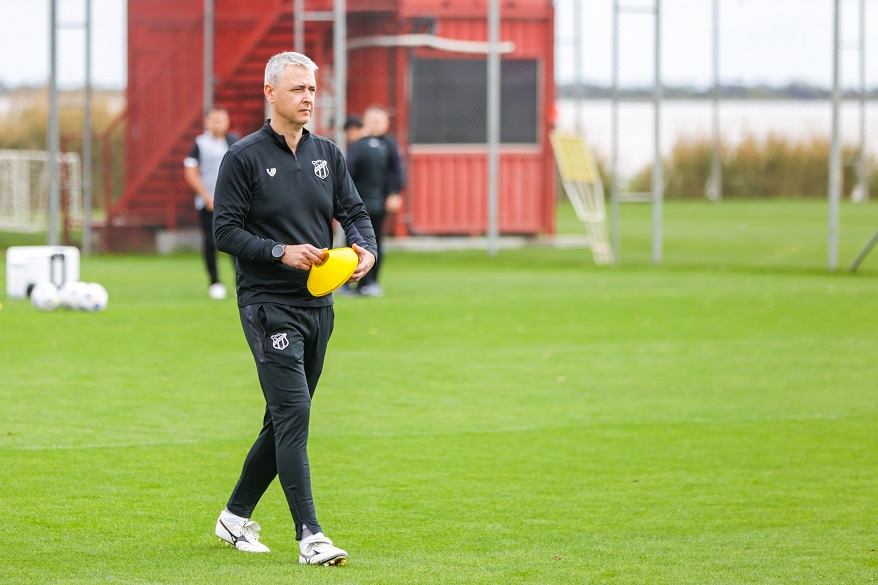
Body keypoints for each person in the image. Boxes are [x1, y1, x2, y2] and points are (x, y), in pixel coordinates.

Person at [212, 51, 377, 567]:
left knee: (282, 419)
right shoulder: (242, 157)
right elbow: (225, 231)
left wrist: (365, 249)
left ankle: (235, 517)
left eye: (312, 89)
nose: (308, 98)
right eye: (297, 89)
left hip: (318, 304)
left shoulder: (327, 152)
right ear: (270, 93)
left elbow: (352, 211)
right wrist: (279, 251)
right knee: (294, 412)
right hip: (266, 305)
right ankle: (311, 536)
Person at [345, 104, 405, 297]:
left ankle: (370, 282)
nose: (375, 125)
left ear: (386, 124)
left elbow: (398, 172)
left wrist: (395, 193)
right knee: (352, 242)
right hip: (356, 204)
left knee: (374, 241)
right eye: (372, 121)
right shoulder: (357, 146)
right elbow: (348, 174)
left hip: (379, 203)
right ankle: (348, 282)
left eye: (379, 121)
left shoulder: (390, 145)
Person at [183, 107, 238, 299]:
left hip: (232, 204)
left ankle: (241, 282)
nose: (218, 124)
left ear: (227, 122)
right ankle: (215, 282)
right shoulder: (199, 144)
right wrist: (207, 198)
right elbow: (190, 173)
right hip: (209, 204)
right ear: (207, 122)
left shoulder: (234, 142)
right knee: (211, 242)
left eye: (222, 120)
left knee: (238, 242)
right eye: (214, 120)